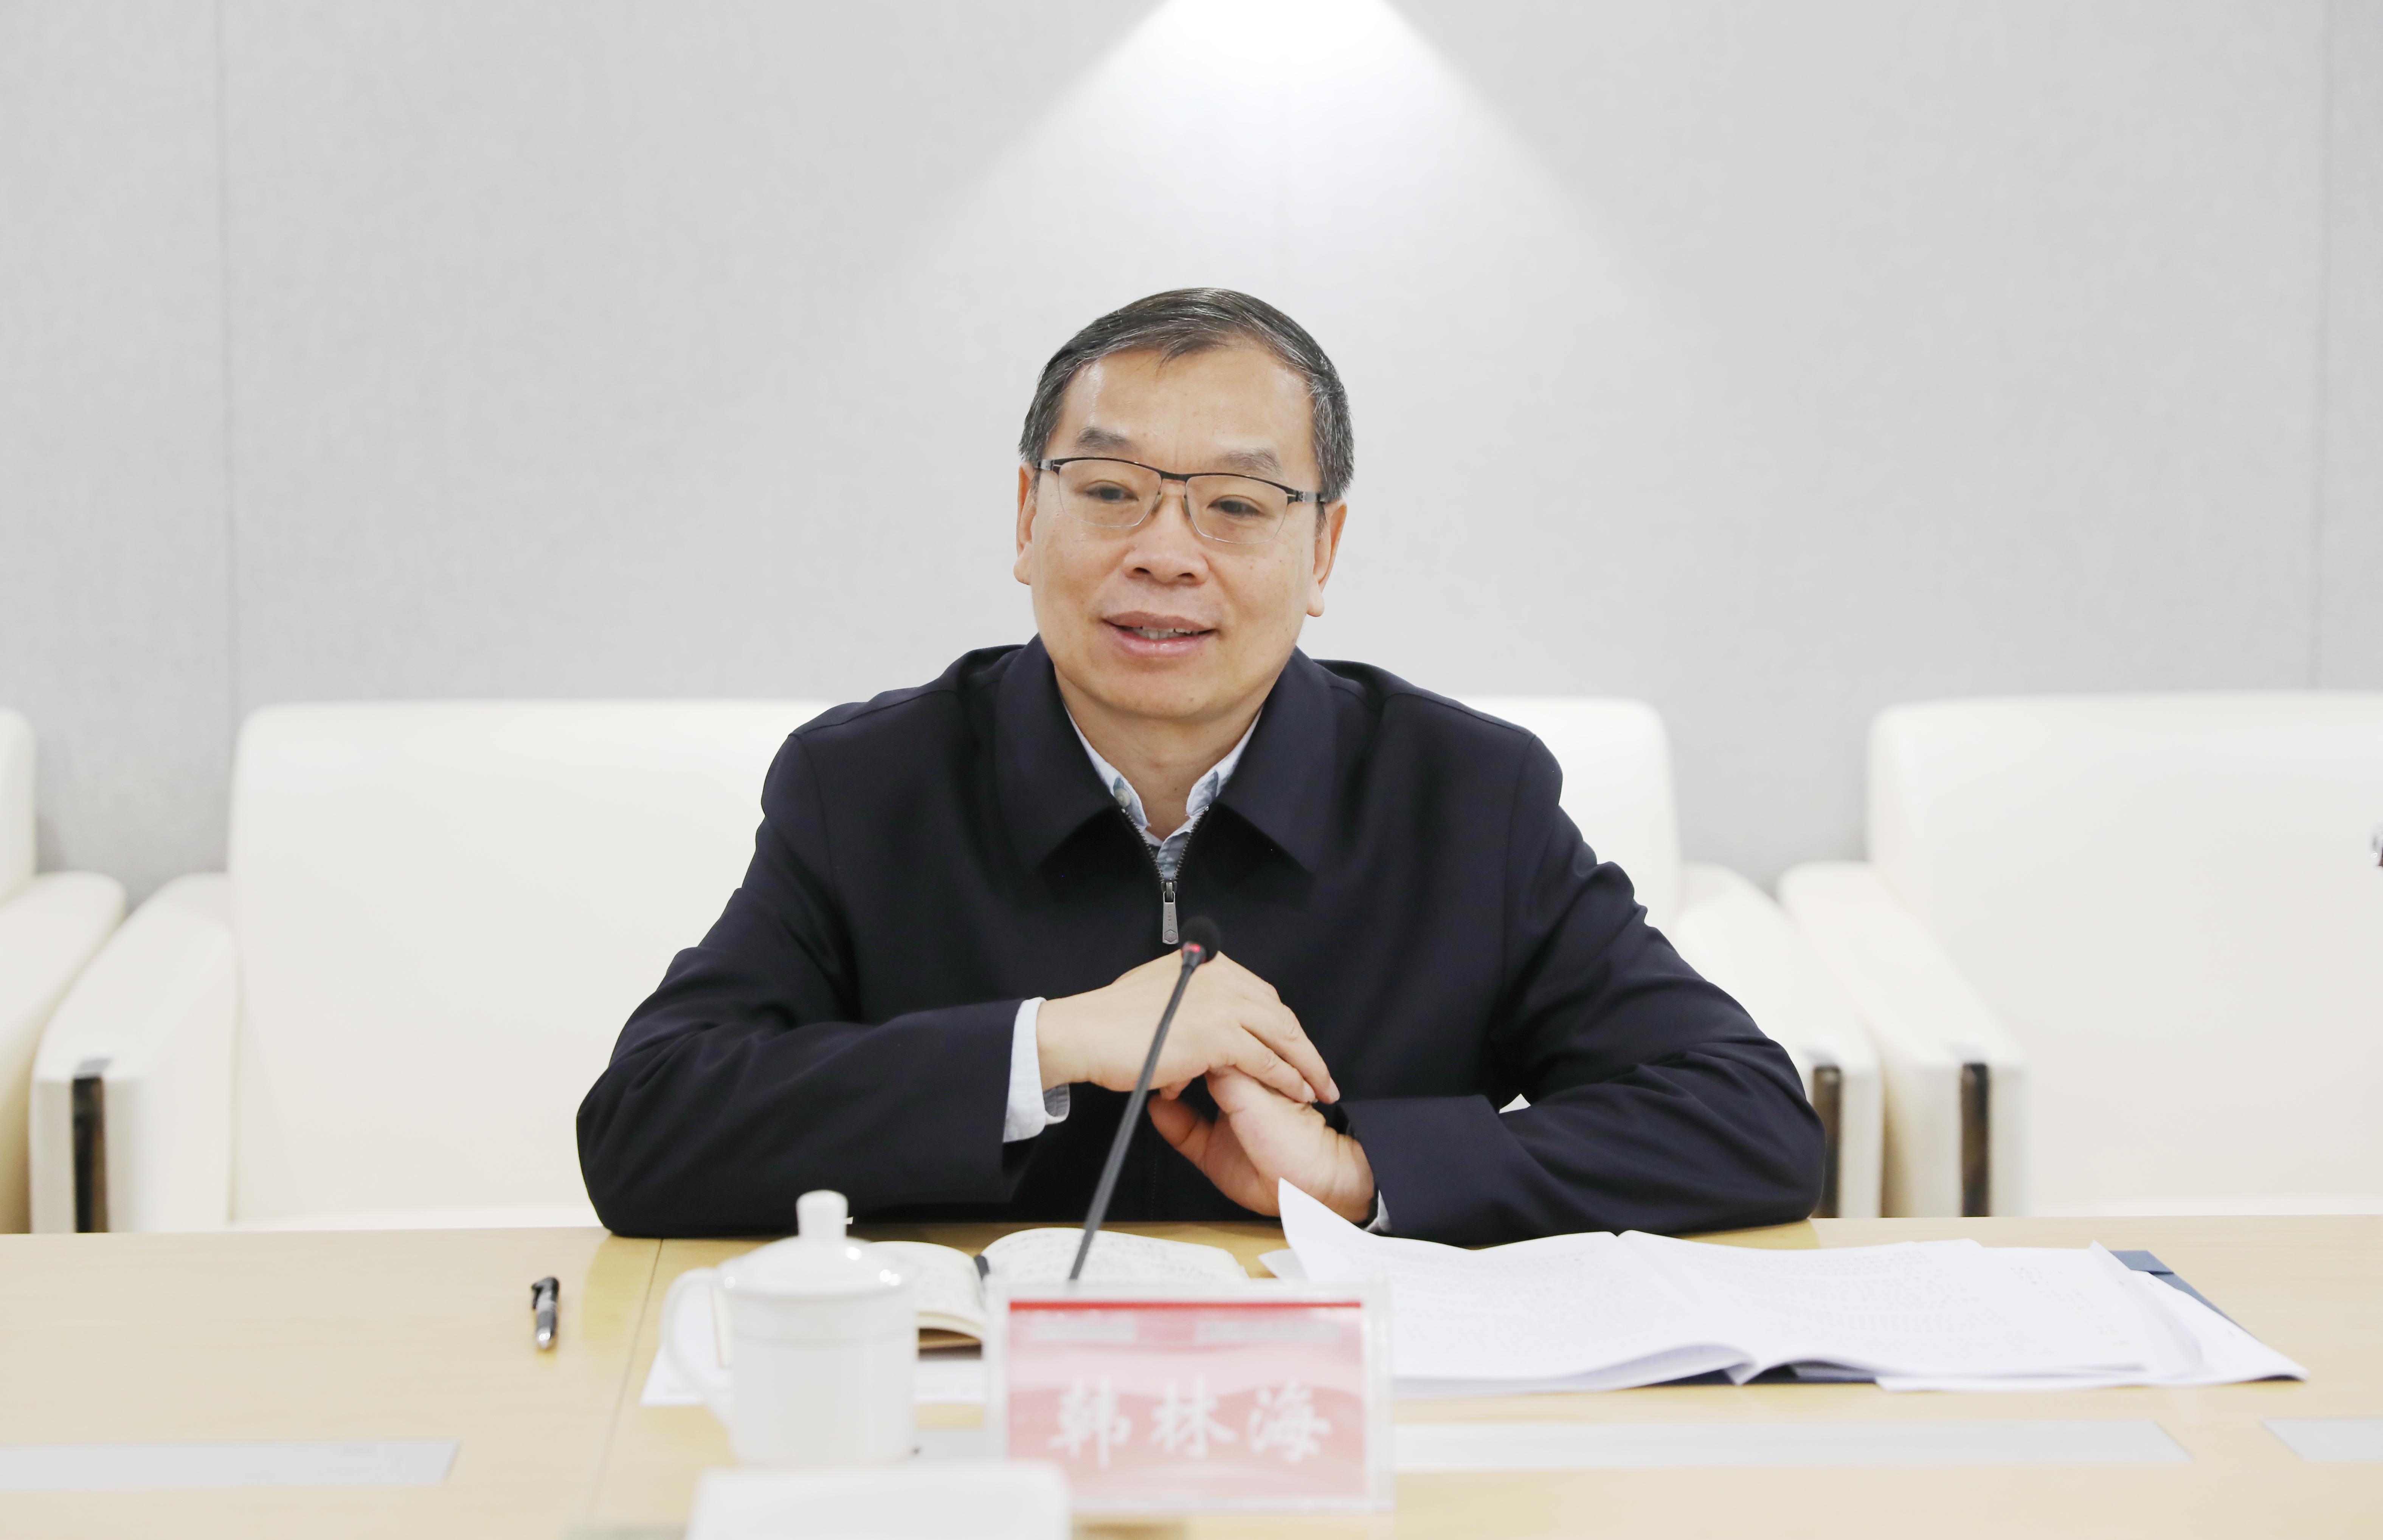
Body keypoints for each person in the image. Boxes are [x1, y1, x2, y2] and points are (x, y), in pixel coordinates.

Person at [577, 288, 1822, 1243]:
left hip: (1343, 1425)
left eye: (1235, 505)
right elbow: (648, 1127)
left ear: (1322, 550)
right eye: (1109, 490)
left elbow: (1747, 1119)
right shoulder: (868, 786)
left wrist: (1360, 1171)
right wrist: (1047, 1043)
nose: (1166, 553)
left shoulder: (1465, 799)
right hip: (983, 1421)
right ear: (1027, 517)